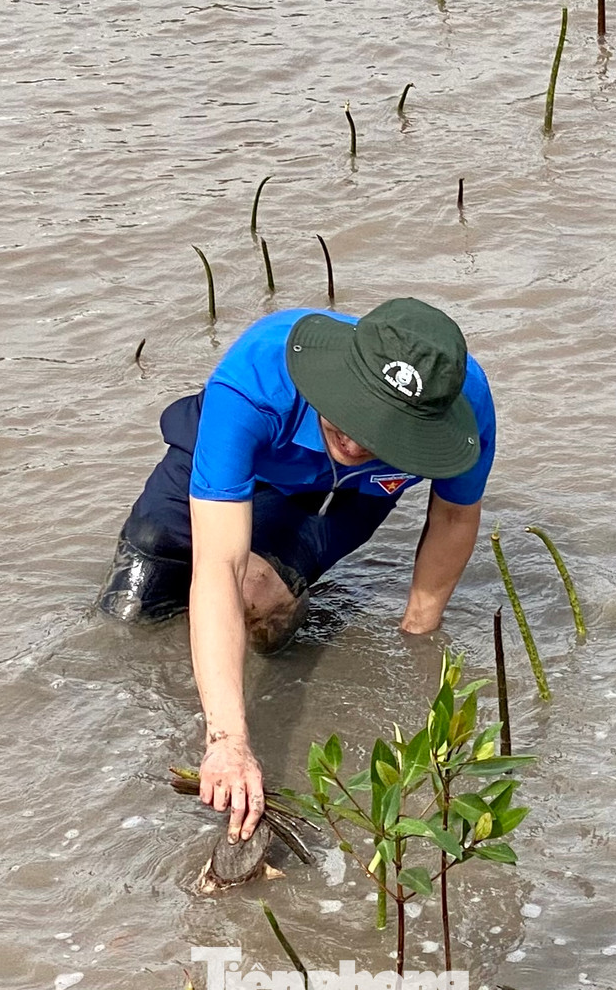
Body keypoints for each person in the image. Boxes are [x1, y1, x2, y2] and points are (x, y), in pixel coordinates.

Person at [99, 297, 496, 842]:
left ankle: (291, 607)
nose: (356, 443)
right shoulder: (256, 380)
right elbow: (218, 563)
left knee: (258, 600)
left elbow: (453, 516)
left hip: (347, 496)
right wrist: (227, 741)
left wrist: (417, 640)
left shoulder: (465, 402)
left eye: (379, 431)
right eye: (349, 417)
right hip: (246, 451)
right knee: (128, 615)